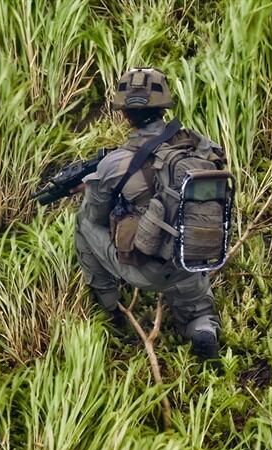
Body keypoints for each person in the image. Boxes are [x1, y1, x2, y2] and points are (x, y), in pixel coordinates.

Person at [73, 68, 221, 360]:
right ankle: (203, 329)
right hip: (191, 260)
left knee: (83, 221)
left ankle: (109, 305)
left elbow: (97, 216)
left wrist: (93, 187)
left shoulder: (114, 164)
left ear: (124, 114)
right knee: (200, 312)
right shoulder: (197, 146)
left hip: (145, 269)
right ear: (164, 107)